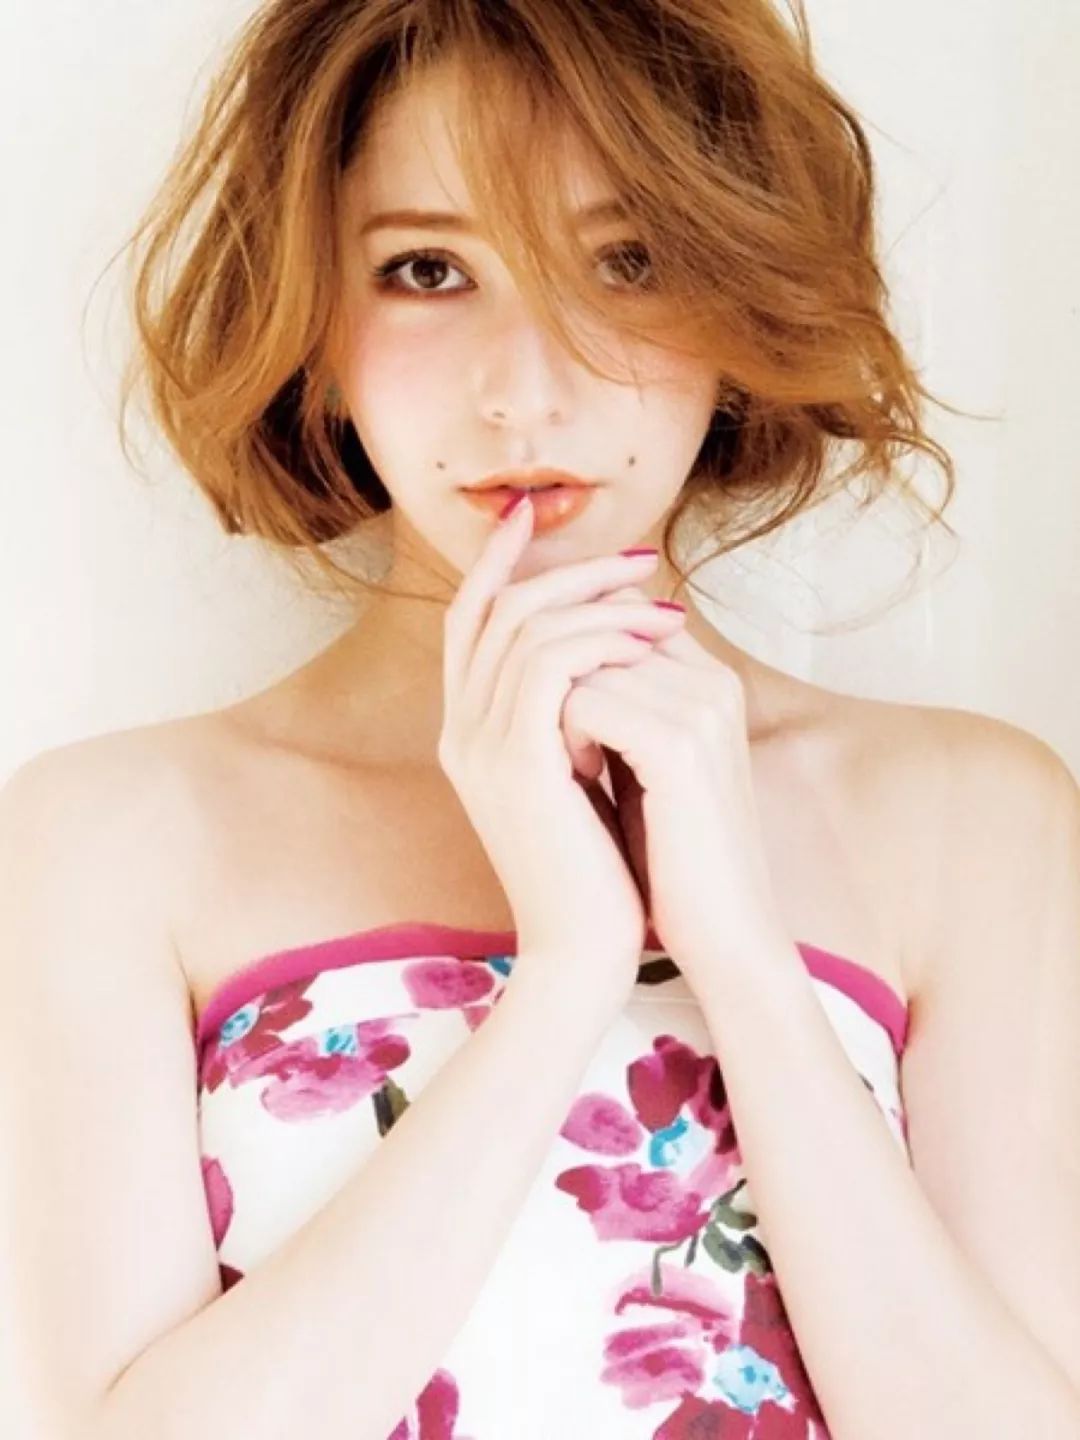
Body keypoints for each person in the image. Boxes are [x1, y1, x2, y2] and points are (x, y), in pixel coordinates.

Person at [3, 3, 1079, 1438]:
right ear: (314, 323)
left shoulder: (968, 812)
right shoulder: (110, 836)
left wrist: (743, 961)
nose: (526, 389)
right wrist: (566, 969)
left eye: (629, 262)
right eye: (427, 270)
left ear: (740, 301)